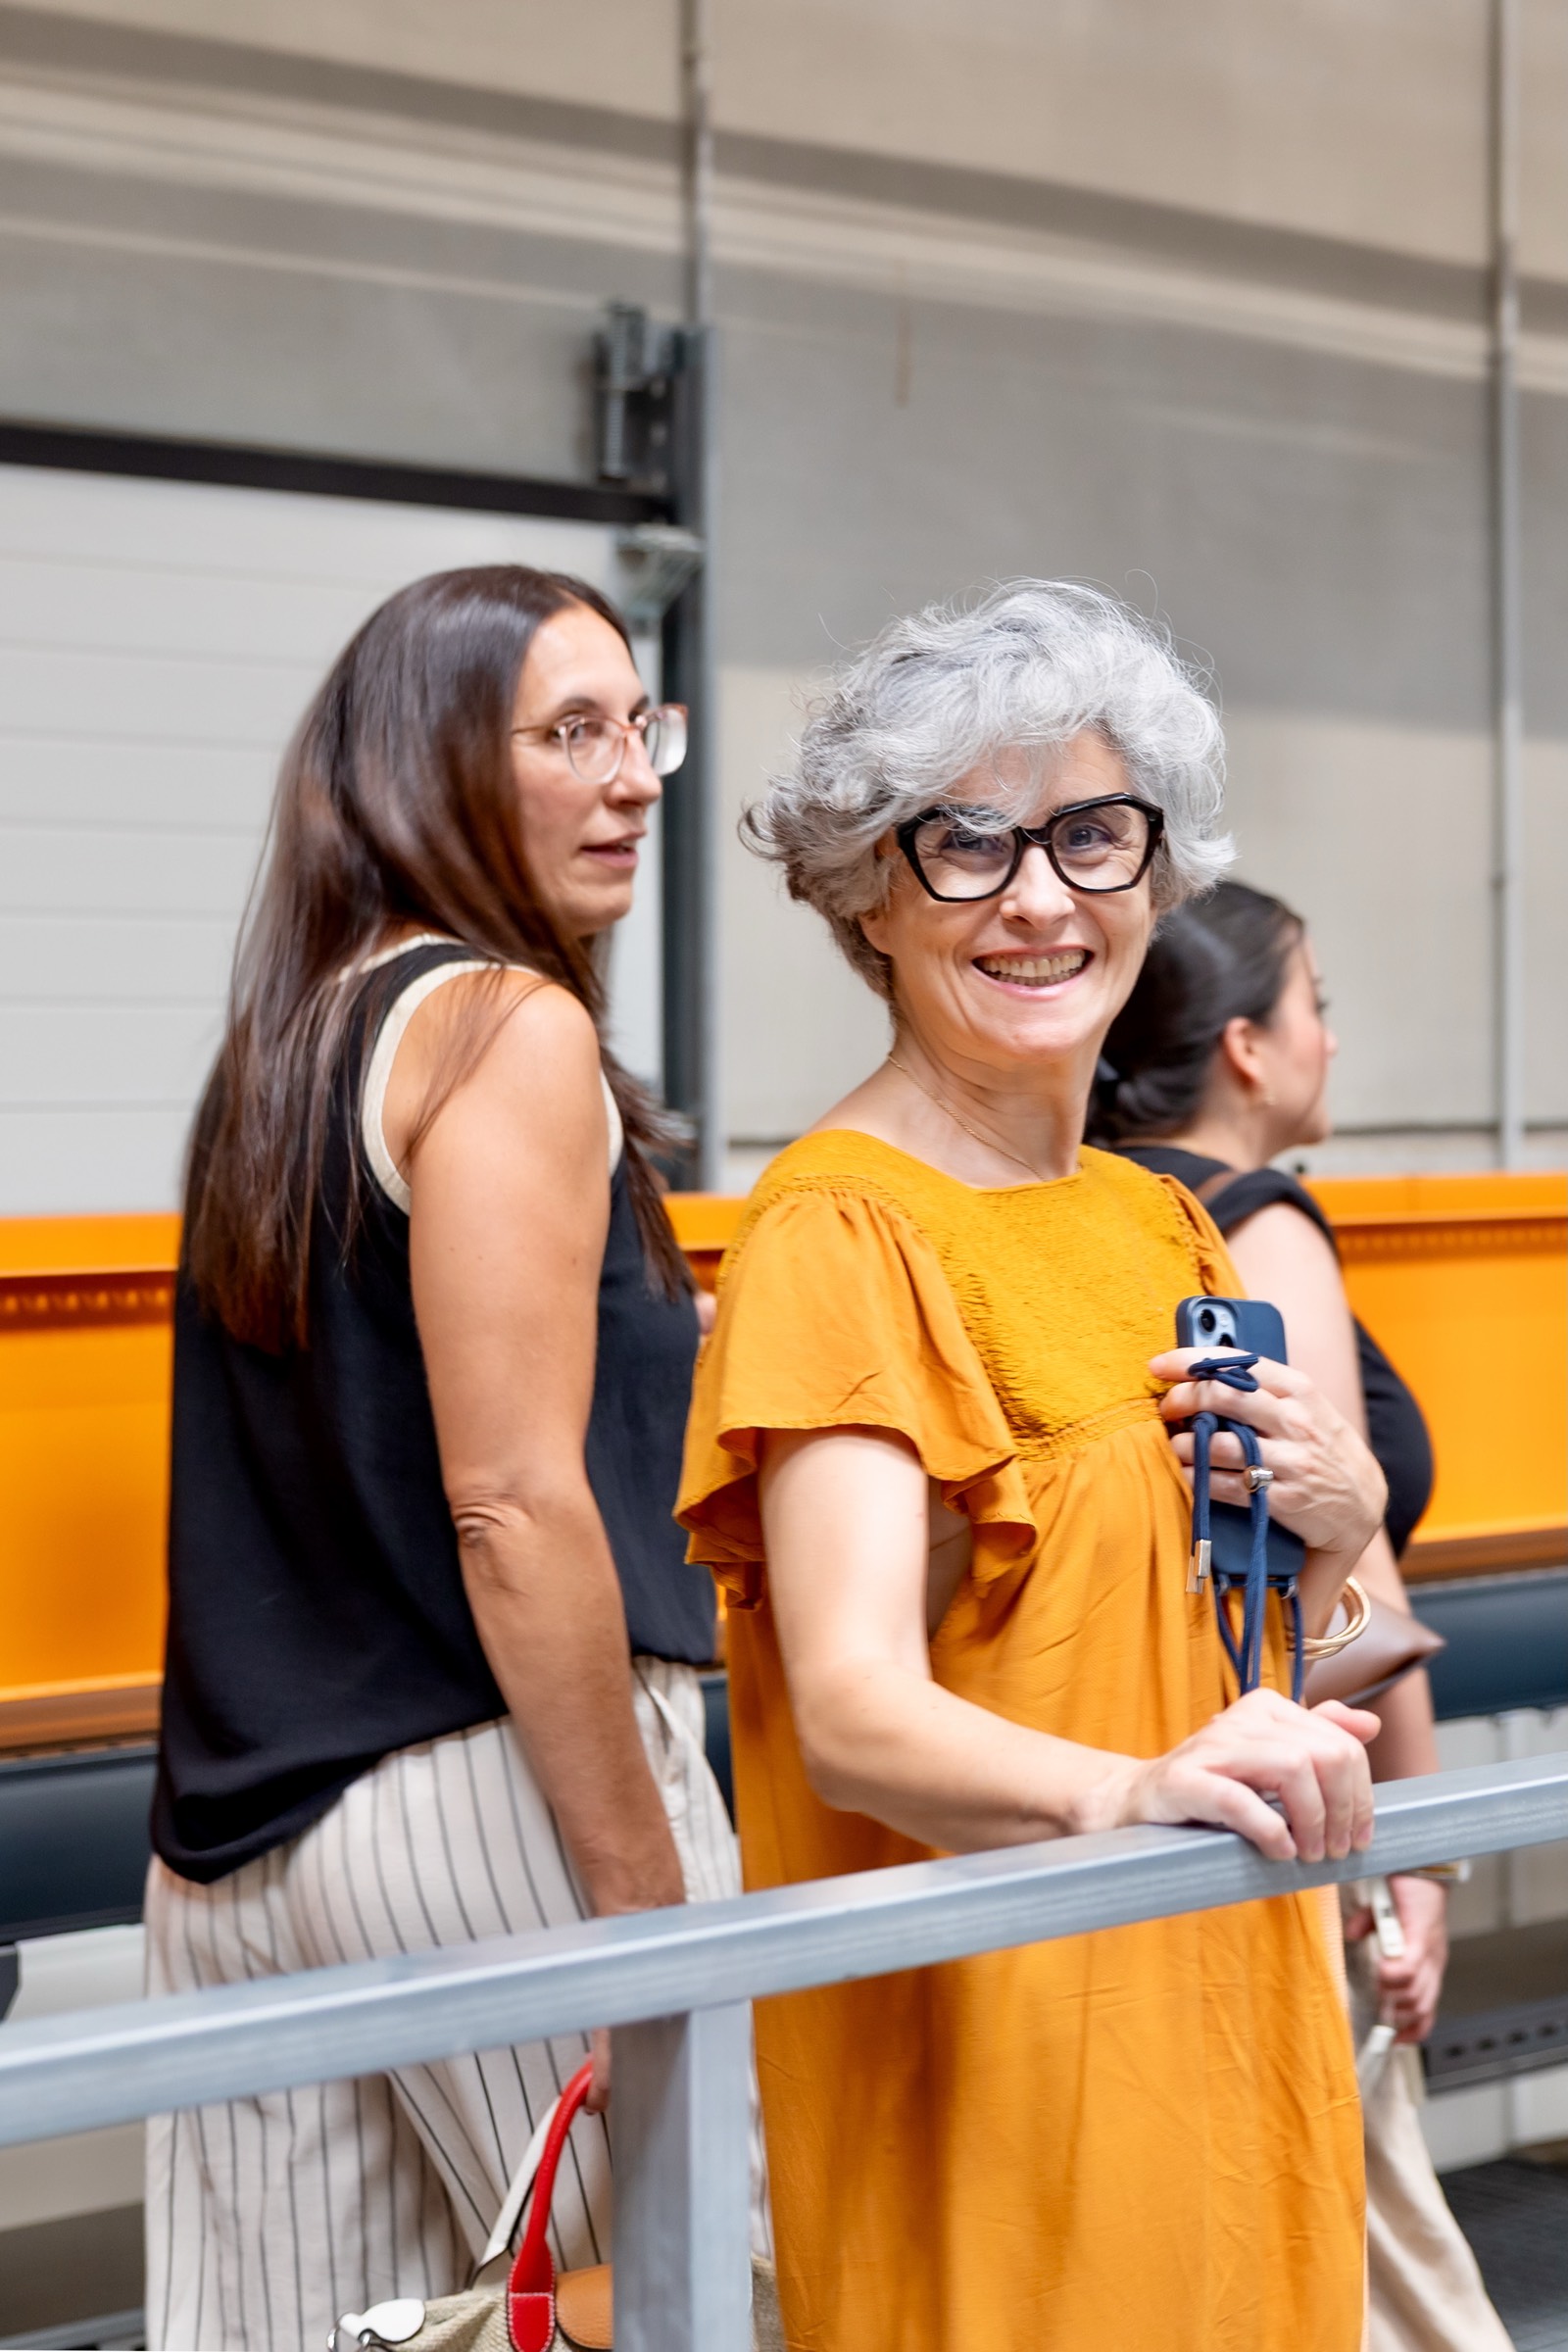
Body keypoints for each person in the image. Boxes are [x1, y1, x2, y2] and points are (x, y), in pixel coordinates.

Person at [678, 581, 1388, 2352]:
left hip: (1230, 2019)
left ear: (1157, 872)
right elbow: (850, 1710)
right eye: (966, 846)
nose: (1040, 898)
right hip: (1009, 2090)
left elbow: (1243, 1643)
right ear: (868, 892)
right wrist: (1121, 1798)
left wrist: (1342, 1531)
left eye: (1091, 835)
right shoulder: (844, 1233)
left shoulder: (1162, 1221)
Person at [145, 565, 744, 2352]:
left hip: (239, 1846)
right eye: (573, 733)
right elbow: (511, 1501)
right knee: (688, 2295)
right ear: (427, 771)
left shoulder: (286, 1045)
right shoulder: (507, 1029)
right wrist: (642, 1900)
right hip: (496, 1803)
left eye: (643, 728)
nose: (633, 776)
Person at [1091, 877, 1513, 2352]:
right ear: (1251, 1050)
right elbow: (1344, 1561)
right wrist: (1424, 1858)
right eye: (1316, 1004)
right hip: (1306, 1797)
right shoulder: (1258, 1231)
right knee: (1389, 2270)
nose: (1333, 1039)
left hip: (1188, 1779)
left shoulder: (1103, 1219)